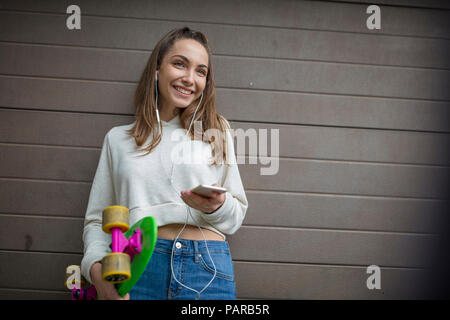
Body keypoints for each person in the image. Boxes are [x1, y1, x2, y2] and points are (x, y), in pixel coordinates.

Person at [80, 27, 248, 300]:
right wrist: (97, 274)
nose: (190, 78)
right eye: (180, 64)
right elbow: (98, 221)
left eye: (201, 71)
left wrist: (217, 207)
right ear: (157, 69)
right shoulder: (117, 140)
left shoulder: (218, 131)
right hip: (135, 267)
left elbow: (236, 214)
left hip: (206, 267)